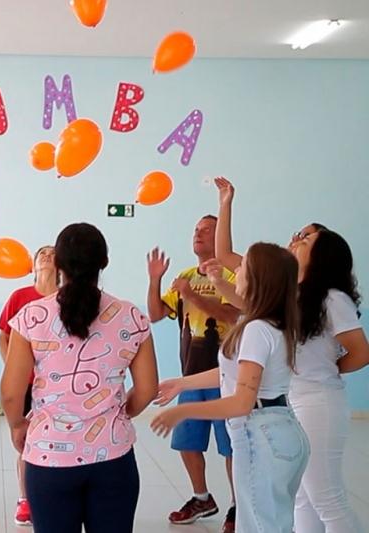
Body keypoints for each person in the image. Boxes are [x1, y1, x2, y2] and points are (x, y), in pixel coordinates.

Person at [214, 177, 369, 532]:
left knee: (327, 496)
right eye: (298, 233)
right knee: (299, 495)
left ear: (323, 254)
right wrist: (225, 202)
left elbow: (361, 353)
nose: (297, 238)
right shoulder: (283, 292)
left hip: (318, 402)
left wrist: (322, 370)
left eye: (307, 237)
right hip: (290, 401)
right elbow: (225, 257)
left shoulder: (332, 298)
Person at [0, 223, 158, 533]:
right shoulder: (131, 317)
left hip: (49, 457)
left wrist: (17, 424)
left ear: (57, 263)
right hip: (113, 457)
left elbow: (10, 392)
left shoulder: (33, 316)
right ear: (104, 263)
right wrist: (122, 413)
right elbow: (148, 389)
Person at [152, 242, 310, 533]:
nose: (235, 271)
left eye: (242, 267)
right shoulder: (271, 322)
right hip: (280, 430)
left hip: (261, 436)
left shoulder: (256, 330)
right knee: (273, 522)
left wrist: (184, 411)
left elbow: (241, 402)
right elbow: (231, 373)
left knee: (258, 525)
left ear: (257, 280)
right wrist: (182, 383)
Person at [146, 216, 240, 531]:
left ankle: (238, 505)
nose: (198, 234)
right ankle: (202, 497)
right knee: (187, 442)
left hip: (225, 377)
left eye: (207, 229)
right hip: (190, 376)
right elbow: (157, 314)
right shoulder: (185, 275)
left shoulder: (231, 274)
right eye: (196, 229)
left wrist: (192, 296)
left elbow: (229, 313)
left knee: (231, 447)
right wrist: (155, 279)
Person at [0, 245, 59, 526]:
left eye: (52, 253)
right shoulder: (20, 297)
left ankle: (55, 494)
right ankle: (26, 499)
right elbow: (4, 336)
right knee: (27, 444)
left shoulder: (67, 299)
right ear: (33, 265)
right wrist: (15, 370)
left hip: (58, 387)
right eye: (41, 254)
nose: (46, 256)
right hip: (27, 385)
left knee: (57, 442)